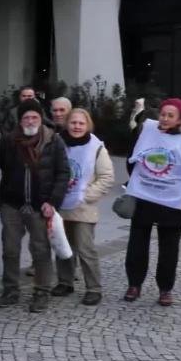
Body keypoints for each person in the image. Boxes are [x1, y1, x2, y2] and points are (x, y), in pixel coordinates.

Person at [0, 99, 69, 313]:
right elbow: (2, 164)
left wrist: (52, 202)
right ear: (20, 120)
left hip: (40, 205)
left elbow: (63, 173)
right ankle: (10, 290)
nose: (30, 120)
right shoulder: (9, 140)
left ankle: (41, 292)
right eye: (26, 117)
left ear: (40, 118)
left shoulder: (53, 140)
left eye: (34, 117)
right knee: (10, 249)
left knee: (41, 250)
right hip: (12, 203)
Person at [123, 98, 181, 306]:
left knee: (169, 247)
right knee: (137, 243)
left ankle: (165, 289)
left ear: (180, 119)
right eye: (163, 114)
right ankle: (134, 284)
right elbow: (133, 158)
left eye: (170, 115)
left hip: (172, 201)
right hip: (144, 196)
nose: (165, 119)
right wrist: (141, 181)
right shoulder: (146, 131)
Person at [52, 109, 114, 305]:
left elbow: (107, 177)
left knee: (85, 248)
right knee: (63, 245)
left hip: (83, 206)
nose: (77, 127)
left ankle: (93, 288)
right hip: (59, 204)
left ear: (88, 125)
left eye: (81, 123)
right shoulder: (56, 143)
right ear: (67, 124)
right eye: (73, 123)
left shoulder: (96, 148)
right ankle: (65, 281)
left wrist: (85, 195)